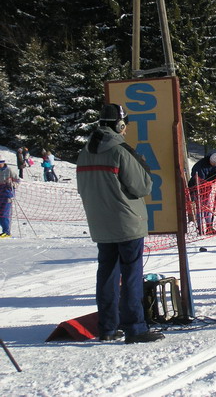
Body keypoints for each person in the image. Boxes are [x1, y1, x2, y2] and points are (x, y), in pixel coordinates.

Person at [76, 103, 164, 344]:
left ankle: (107, 327)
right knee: (131, 275)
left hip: (100, 223)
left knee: (106, 275)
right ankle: (135, 327)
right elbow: (143, 187)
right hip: (127, 223)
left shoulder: (84, 153)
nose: (126, 129)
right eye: (125, 125)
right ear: (119, 124)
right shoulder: (120, 151)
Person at [188, 152, 216, 236]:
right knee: (200, 208)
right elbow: (202, 180)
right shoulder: (200, 167)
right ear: (210, 160)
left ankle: (209, 227)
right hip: (196, 187)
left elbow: (212, 175)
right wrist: (214, 178)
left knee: (207, 207)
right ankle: (200, 228)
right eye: (213, 163)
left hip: (207, 189)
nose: (214, 165)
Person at [0, 154, 19, 237]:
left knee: (4, 213)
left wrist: (13, 184)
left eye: (0, 163)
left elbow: (17, 180)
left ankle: (6, 232)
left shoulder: (9, 170)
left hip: (7, 194)